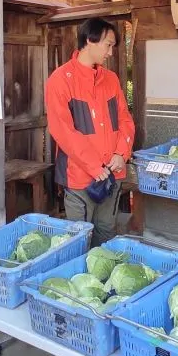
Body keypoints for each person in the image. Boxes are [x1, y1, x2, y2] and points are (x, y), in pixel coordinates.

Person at [45, 17, 135, 246]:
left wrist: (121, 154)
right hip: (79, 178)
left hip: (112, 174)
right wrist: (94, 167)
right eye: (108, 45)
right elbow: (62, 131)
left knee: (106, 235)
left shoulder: (111, 80)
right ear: (89, 41)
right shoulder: (60, 80)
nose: (111, 52)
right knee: (78, 241)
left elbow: (125, 119)